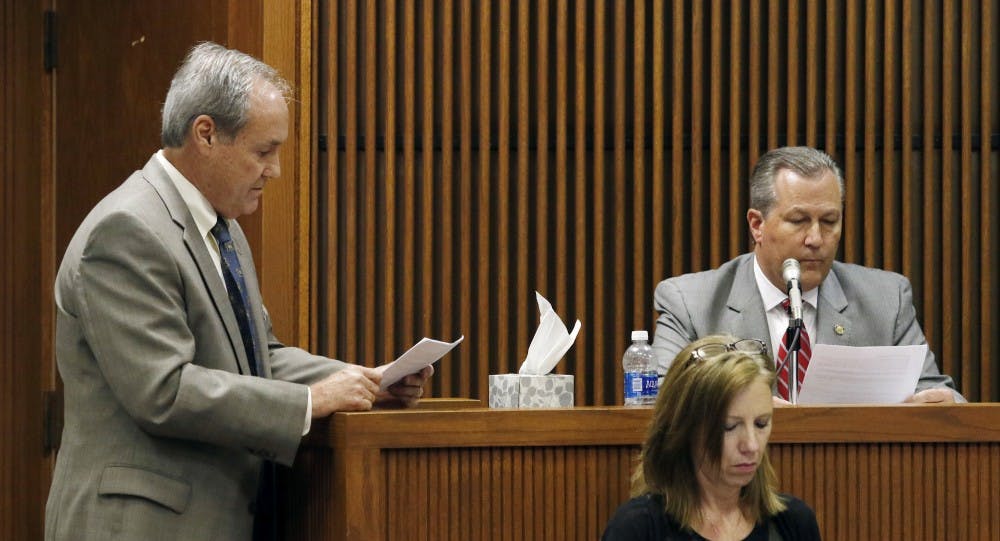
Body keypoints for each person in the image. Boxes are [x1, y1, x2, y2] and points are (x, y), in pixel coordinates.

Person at [44, 42, 432, 541]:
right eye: (263, 151)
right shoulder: (126, 229)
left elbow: (259, 358)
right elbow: (164, 390)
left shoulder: (220, 228)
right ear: (206, 134)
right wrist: (308, 402)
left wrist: (364, 382)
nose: (275, 170)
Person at [651, 146, 964, 404]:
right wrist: (739, 406)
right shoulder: (691, 304)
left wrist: (940, 405)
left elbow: (942, 396)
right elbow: (658, 405)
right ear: (757, 225)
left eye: (829, 221)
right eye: (799, 220)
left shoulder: (886, 300)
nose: (815, 238)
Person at [602, 334, 822, 540]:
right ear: (685, 428)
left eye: (761, 424)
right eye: (729, 427)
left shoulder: (793, 523)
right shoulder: (638, 528)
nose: (752, 445)